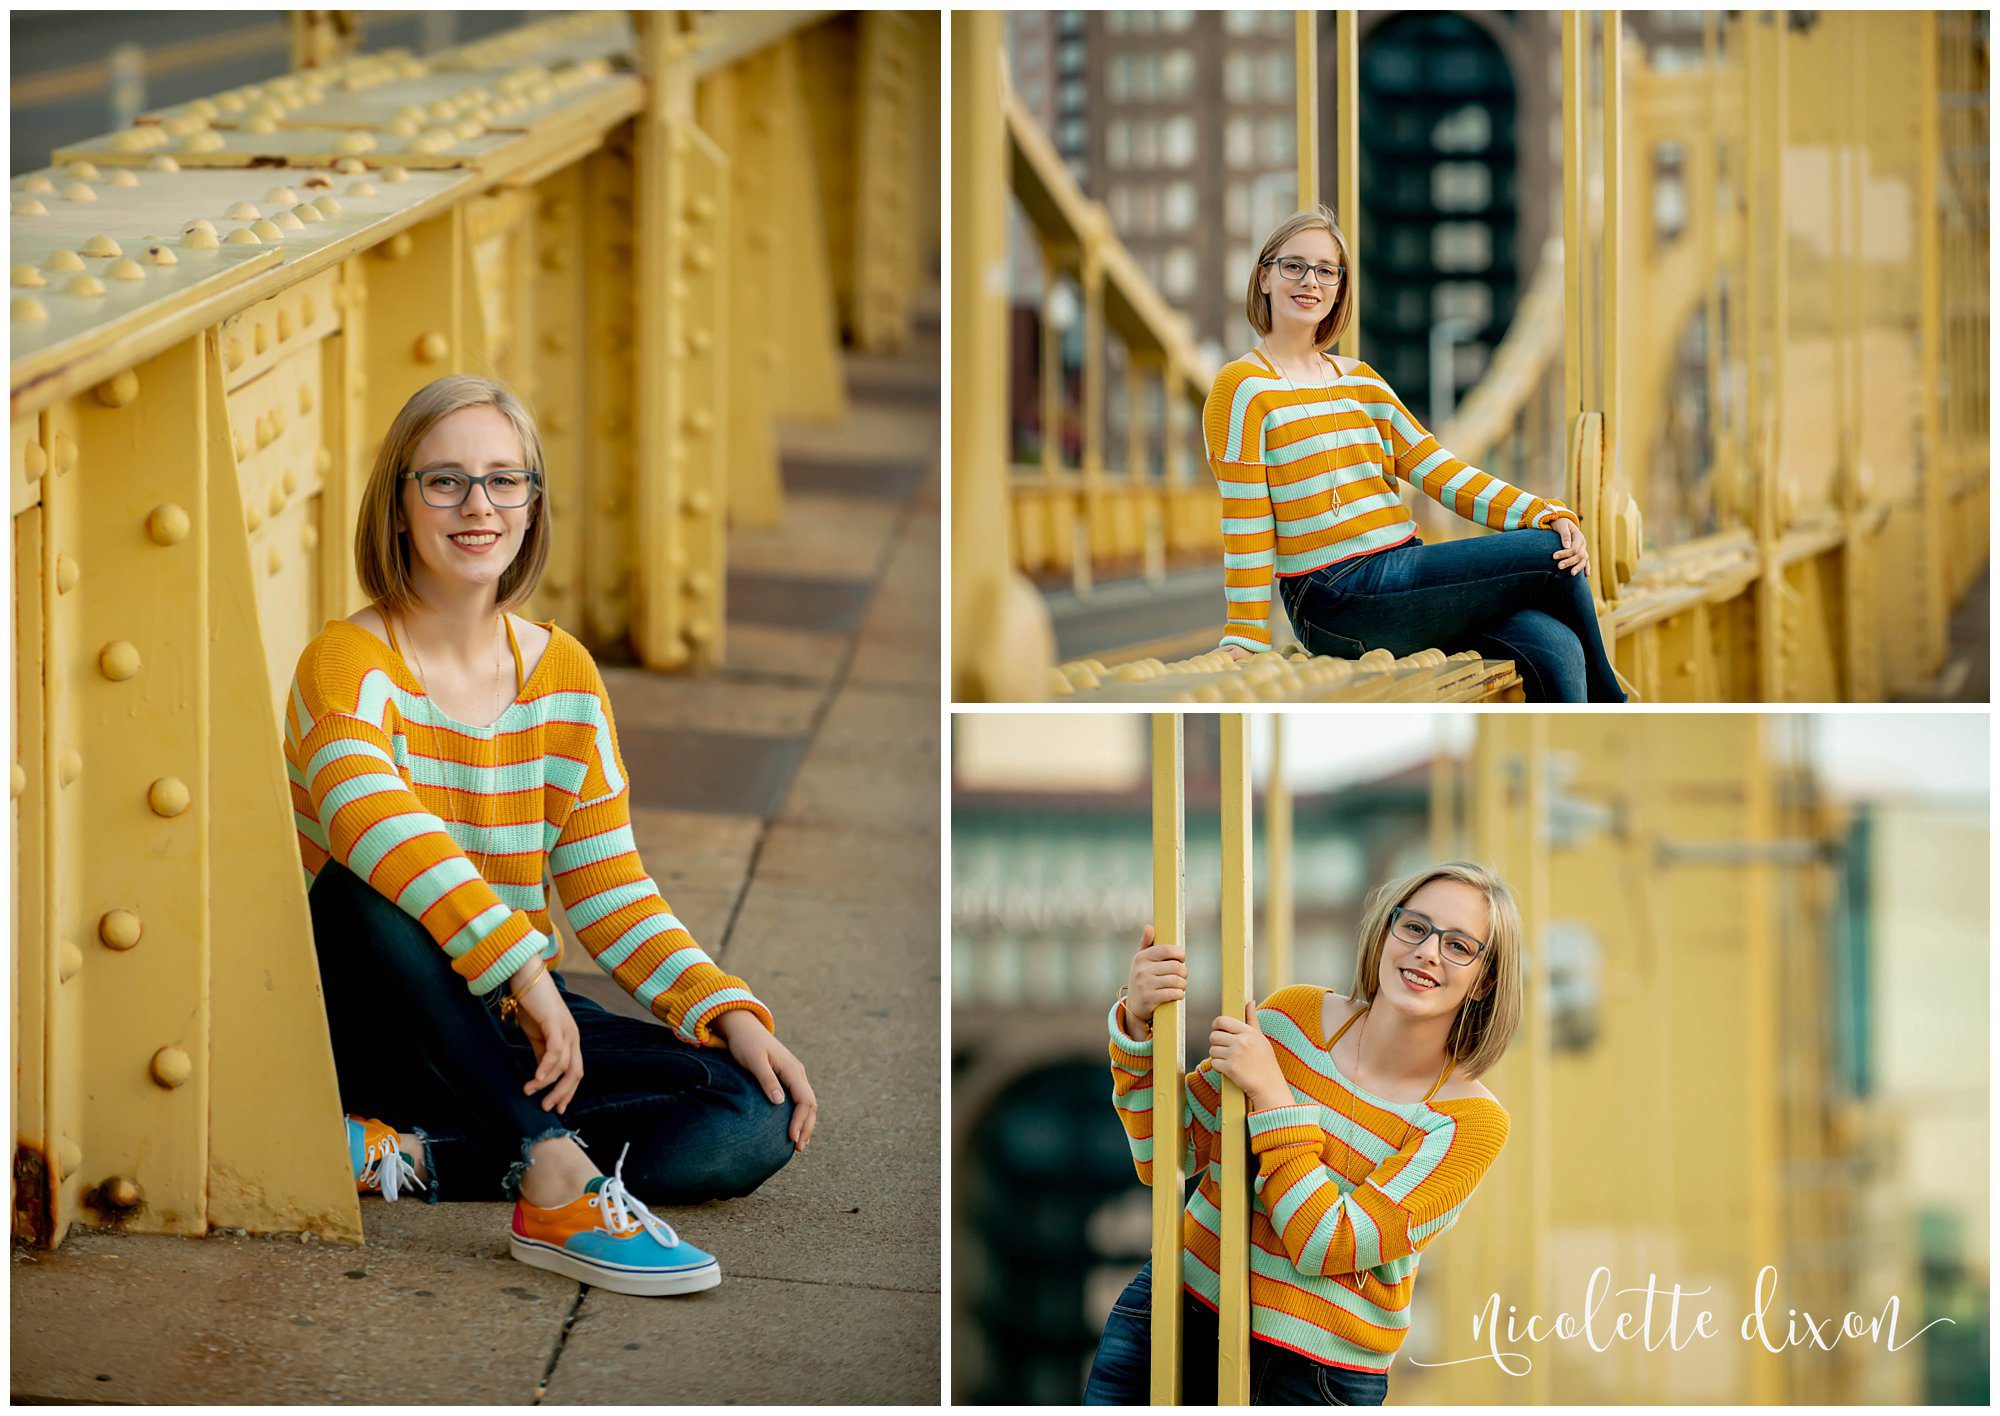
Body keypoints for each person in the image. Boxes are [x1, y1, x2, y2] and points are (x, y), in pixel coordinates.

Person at [286, 373, 818, 1298]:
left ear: (532, 504)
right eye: (444, 480)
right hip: (376, 1021)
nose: (477, 506)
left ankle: (420, 1161)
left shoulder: (563, 676)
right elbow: (369, 818)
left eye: (504, 480)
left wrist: (722, 1006)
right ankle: (552, 1180)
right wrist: (526, 973)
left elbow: (611, 885)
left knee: (749, 1113)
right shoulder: (346, 664)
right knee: (366, 877)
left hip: (500, 1033)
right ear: (399, 504)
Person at [1084, 862, 1519, 1405]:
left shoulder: (1469, 1124)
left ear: (1486, 981)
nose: (1428, 951)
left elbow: (1327, 1242)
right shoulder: (1293, 1018)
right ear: (1386, 931)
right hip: (1174, 1315)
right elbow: (1167, 1150)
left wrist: (1273, 1097)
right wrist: (1138, 1024)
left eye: (1459, 945)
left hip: (1312, 1380)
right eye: (1414, 927)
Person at [1208, 207, 1628, 702]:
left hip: (1402, 573)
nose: (1310, 281)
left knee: (1554, 644)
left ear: (1340, 287)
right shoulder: (1241, 388)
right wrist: (1246, 633)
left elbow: (1441, 471)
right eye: (1293, 266)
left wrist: (1541, 510)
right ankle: (1615, 707)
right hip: (1333, 597)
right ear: (1264, 277)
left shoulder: (1361, 381)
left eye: (1326, 270)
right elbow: (1246, 519)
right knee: (1547, 555)